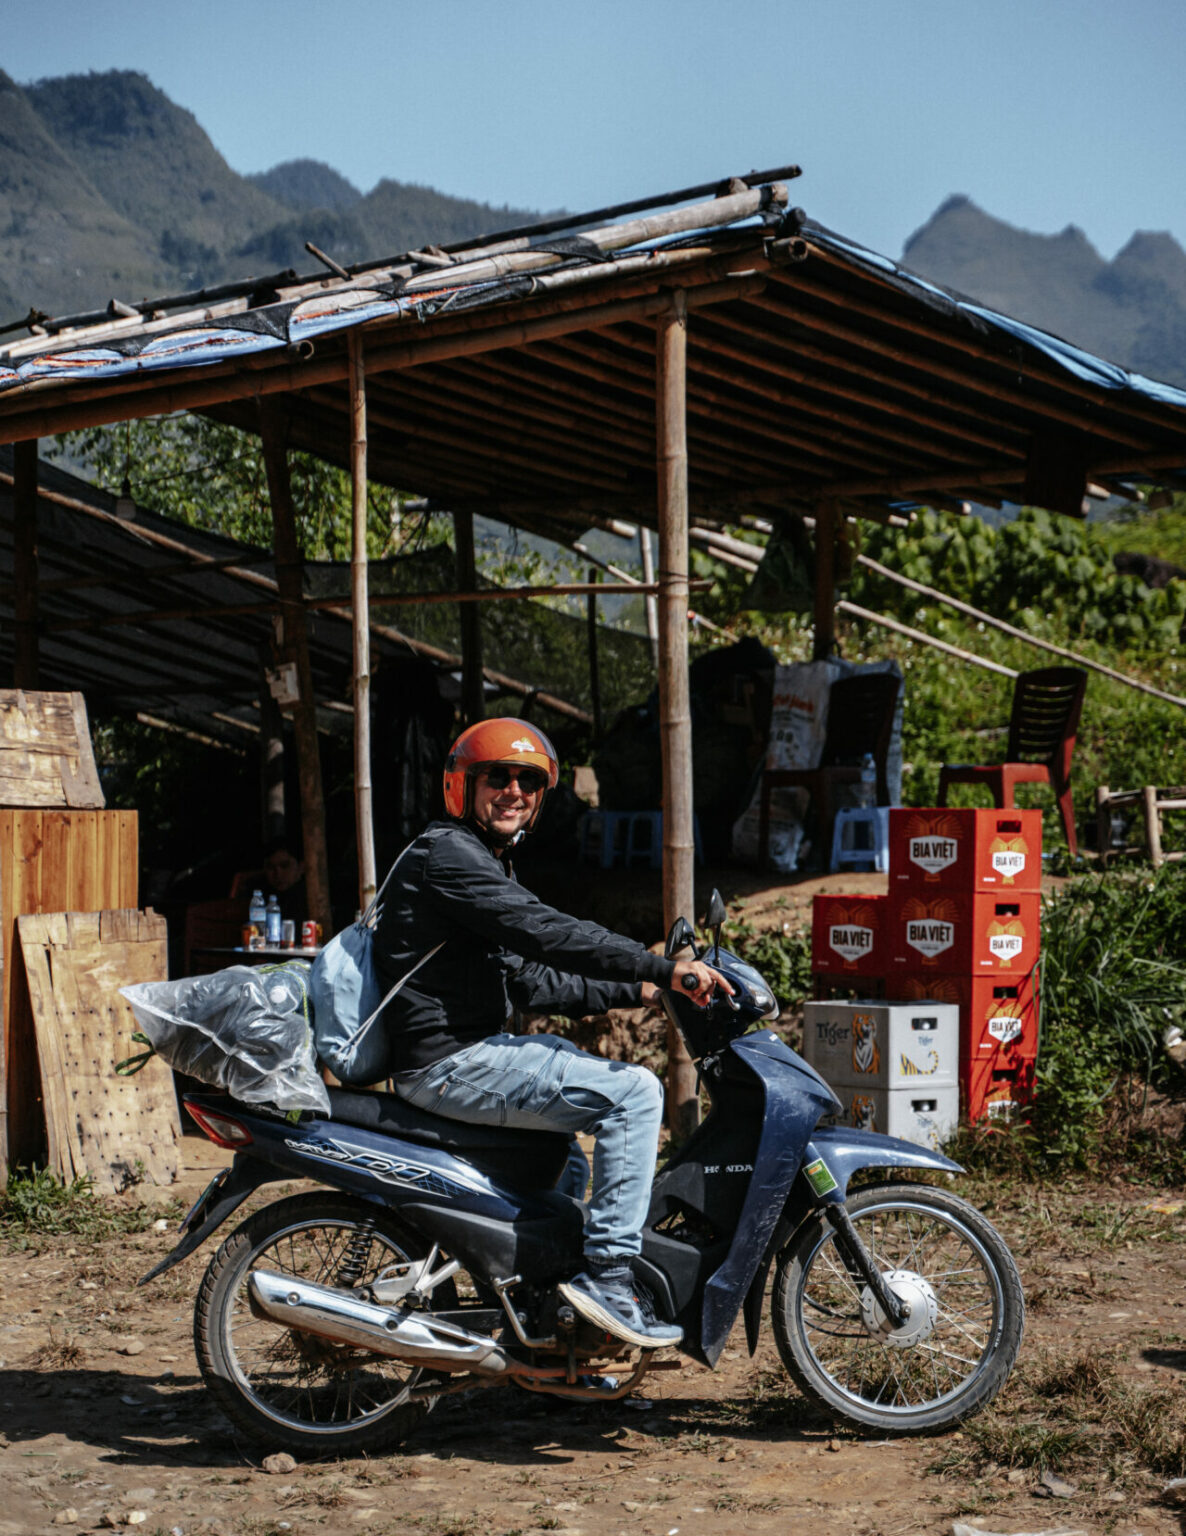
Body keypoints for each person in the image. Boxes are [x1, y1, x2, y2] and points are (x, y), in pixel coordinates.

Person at [373, 716, 731, 1350]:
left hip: (469, 1051)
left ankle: (546, 1320)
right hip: (449, 1059)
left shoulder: (479, 862)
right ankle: (611, 1281)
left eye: (528, 782)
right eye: (498, 779)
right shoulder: (450, 856)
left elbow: (533, 982)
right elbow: (547, 932)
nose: (514, 791)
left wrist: (642, 990)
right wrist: (661, 966)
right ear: (463, 786)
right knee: (636, 1094)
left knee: (565, 1164)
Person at [262, 838, 307, 926]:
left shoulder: (307, 898)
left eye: (285, 866)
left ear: (301, 867)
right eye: (271, 867)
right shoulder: (264, 898)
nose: (278, 874)